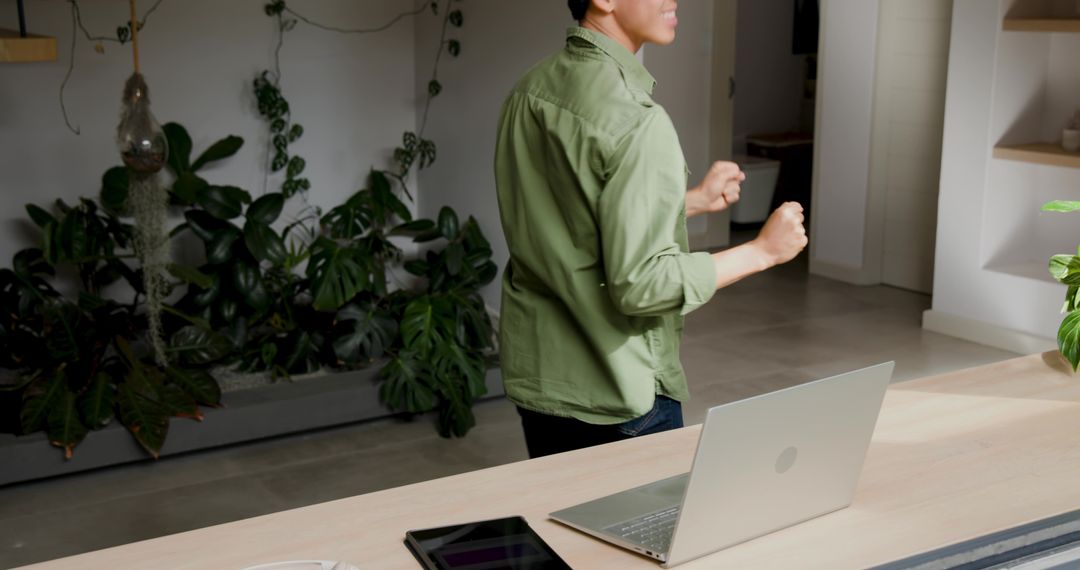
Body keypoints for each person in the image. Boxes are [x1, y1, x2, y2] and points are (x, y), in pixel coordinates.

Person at [493, 0, 807, 459]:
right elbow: (641, 285)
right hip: (617, 394)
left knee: (558, 526)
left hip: (541, 379)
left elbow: (573, 222)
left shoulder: (530, 89)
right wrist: (762, 251)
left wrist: (692, 201)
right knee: (639, 531)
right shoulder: (637, 119)